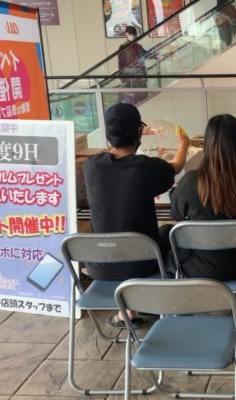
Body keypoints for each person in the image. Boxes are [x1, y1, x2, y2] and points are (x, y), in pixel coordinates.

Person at [84, 102, 189, 327]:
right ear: (139, 133)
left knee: (124, 238)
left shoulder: (91, 166)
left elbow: (111, 157)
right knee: (169, 232)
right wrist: (184, 144)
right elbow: (177, 165)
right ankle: (163, 301)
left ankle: (126, 312)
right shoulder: (145, 168)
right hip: (141, 263)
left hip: (100, 264)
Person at [170, 114, 236, 281]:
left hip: (202, 267)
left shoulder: (190, 182)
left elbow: (176, 214)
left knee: (166, 238)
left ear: (208, 144)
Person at [117, 26, 148, 103]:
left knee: (142, 97)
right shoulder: (123, 47)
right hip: (129, 76)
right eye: (130, 34)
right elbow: (121, 63)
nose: (133, 36)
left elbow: (147, 55)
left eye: (134, 34)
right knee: (130, 97)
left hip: (140, 75)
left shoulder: (139, 46)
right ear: (127, 34)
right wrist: (122, 77)